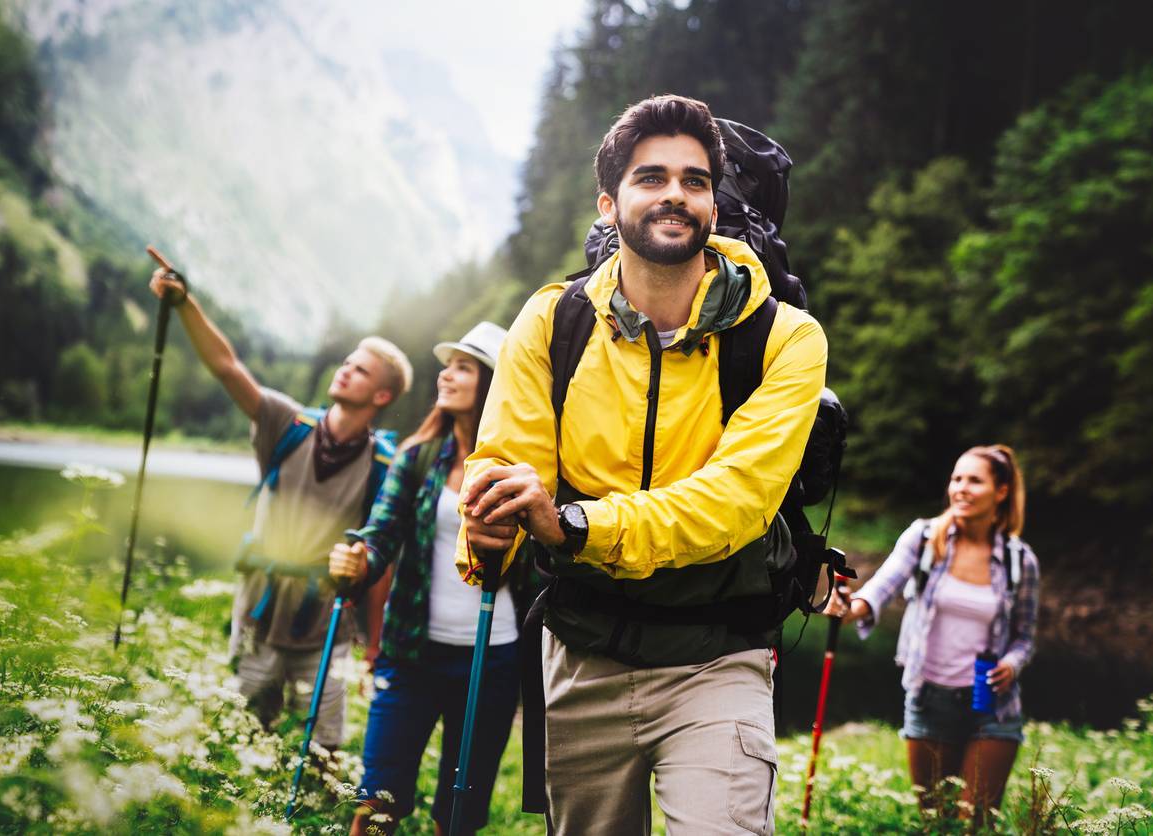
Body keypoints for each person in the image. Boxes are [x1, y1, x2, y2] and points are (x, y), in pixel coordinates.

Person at [457, 95, 828, 834]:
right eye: (650, 176)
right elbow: (506, 459)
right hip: (580, 655)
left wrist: (568, 524)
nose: (673, 195)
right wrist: (488, 530)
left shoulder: (785, 339)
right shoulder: (551, 319)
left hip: (717, 658)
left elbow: (731, 505)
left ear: (713, 204)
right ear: (609, 201)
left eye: (694, 181)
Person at [147, 269, 412, 751]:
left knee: (325, 749)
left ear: (381, 396)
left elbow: (382, 559)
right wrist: (185, 304)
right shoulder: (284, 424)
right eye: (347, 362)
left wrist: (373, 645)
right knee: (243, 737)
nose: (345, 369)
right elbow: (228, 368)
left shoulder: (384, 466)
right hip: (260, 616)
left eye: (361, 370)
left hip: (327, 623)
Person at [328, 322, 521, 836]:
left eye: (463, 367)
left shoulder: (525, 466)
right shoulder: (417, 458)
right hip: (410, 651)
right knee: (377, 798)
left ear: (495, 383)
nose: (446, 374)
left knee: (459, 810)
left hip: (490, 656)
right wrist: (357, 560)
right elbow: (381, 533)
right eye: (447, 363)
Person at [824, 444, 1040, 825]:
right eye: (957, 478)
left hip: (991, 705)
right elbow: (881, 589)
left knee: (974, 823)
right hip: (928, 700)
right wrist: (850, 607)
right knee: (936, 822)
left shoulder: (1019, 560)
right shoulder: (924, 539)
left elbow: (1025, 637)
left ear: (1001, 491)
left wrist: (1012, 662)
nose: (961, 488)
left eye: (974, 480)